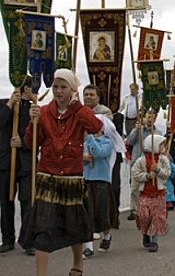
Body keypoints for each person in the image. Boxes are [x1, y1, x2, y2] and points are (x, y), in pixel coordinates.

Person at [23, 68, 103, 276]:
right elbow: (33, 143)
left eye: (63, 87)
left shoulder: (79, 112)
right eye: (55, 87)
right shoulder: (43, 110)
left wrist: (77, 106)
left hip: (71, 176)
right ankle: (41, 273)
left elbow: (95, 126)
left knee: (74, 225)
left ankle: (78, 263)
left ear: (72, 90)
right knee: (43, 226)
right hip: (47, 176)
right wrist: (33, 123)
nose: (58, 91)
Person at [81, 115, 124, 259]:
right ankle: (88, 247)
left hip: (102, 181)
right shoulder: (85, 142)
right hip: (87, 180)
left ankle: (106, 236)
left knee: (102, 211)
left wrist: (90, 140)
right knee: (88, 213)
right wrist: (83, 157)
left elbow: (99, 153)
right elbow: (77, 157)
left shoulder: (107, 142)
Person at [0, 77, 34, 255]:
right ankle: (7, 239)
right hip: (6, 161)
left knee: (28, 200)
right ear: (26, 89)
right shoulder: (3, 104)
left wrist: (24, 143)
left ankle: (27, 239)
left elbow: (39, 135)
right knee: (6, 202)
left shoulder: (33, 109)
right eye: (32, 88)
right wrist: (10, 104)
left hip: (26, 162)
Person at [131, 134, 171, 253]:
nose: (163, 147)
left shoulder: (163, 160)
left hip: (159, 193)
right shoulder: (141, 160)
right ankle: (145, 232)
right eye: (161, 145)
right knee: (144, 215)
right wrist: (148, 176)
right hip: (145, 193)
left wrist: (158, 170)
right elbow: (135, 174)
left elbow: (167, 173)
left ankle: (154, 240)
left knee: (156, 217)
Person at [127, 110, 162, 220]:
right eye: (148, 117)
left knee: (149, 188)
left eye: (152, 117)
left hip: (150, 164)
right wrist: (136, 130)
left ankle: (148, 209)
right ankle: (134, 209)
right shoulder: (139, 130)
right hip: (137, 162)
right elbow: (130, 141)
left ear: (155, 118)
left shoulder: (158, 133)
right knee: (135, 188)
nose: (150, 119)